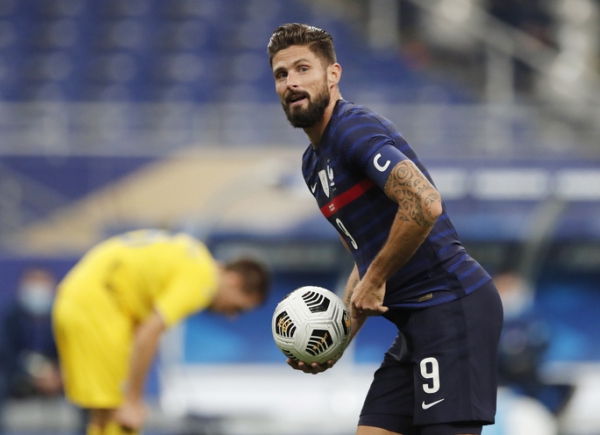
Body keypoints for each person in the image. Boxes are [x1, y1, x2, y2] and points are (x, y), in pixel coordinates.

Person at [266, 23, 504, 435]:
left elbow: (424, 203)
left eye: (303, 68)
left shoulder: (353, 129)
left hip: (452, 309)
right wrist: (336, 341)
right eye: (281, 75)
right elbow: (366, 260)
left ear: (333, 74)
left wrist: (376, 279)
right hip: (414, 324)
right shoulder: (312, 164)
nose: (292, 82)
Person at [52, 229, 270, 435]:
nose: (232, 315)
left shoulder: (193, 253)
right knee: (121, 415)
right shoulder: (203, 281)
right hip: (99, 307)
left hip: (78, 298)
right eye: (239, 307)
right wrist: (134, 399)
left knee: (102, 415)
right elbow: (149, 332)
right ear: (235, 281)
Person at [0, 267, 63, 433]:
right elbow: (7, 353)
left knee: (85, 388)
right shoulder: (10, 316)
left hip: (57, 377)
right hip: (18, 376)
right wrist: (32, 375)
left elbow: (68, 351)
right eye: (34, 284)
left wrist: (58, 374)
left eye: (43, 284)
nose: (38, 291)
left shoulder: (61, 315)